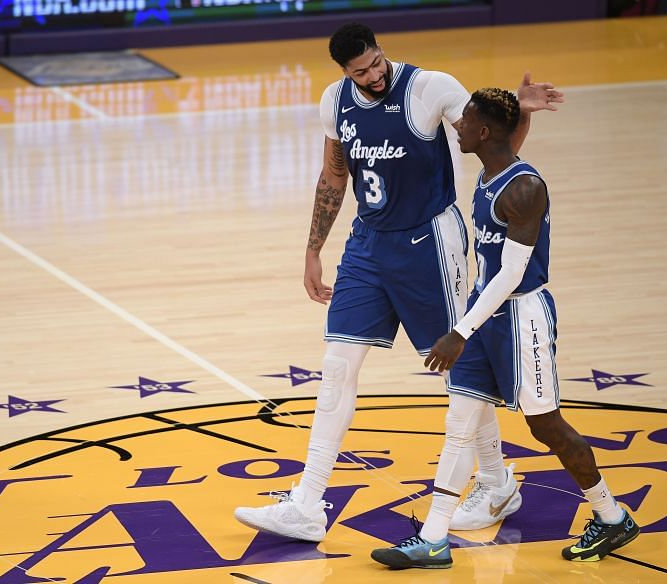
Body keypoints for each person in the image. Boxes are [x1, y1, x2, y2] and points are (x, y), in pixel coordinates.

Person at [234, 22, 562, 543]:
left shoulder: (431, 88)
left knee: (462, 369)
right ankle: (307, 503)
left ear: (382, 52)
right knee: (337, 366)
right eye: (361, 71)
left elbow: (492, 145)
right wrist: (312, 249)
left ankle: (498, 482)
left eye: (377, 62)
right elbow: (333, 176)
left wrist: (519, 112)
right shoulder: (334, 102)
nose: (374, 74)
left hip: (429, 242)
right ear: (345, 73)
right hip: (367, 245)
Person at [370, 88, 641, 569]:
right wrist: (522, 106)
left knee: (546, 428)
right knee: (459, 425)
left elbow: (512, 275)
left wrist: (460, 331)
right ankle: (433, 538)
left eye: (465, 120)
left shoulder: (523, 189)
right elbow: (507, 137)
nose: (456, 125)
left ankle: (611, 514)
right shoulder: (490, 167)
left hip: (521, 316)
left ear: (484, 131)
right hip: (483, 313)